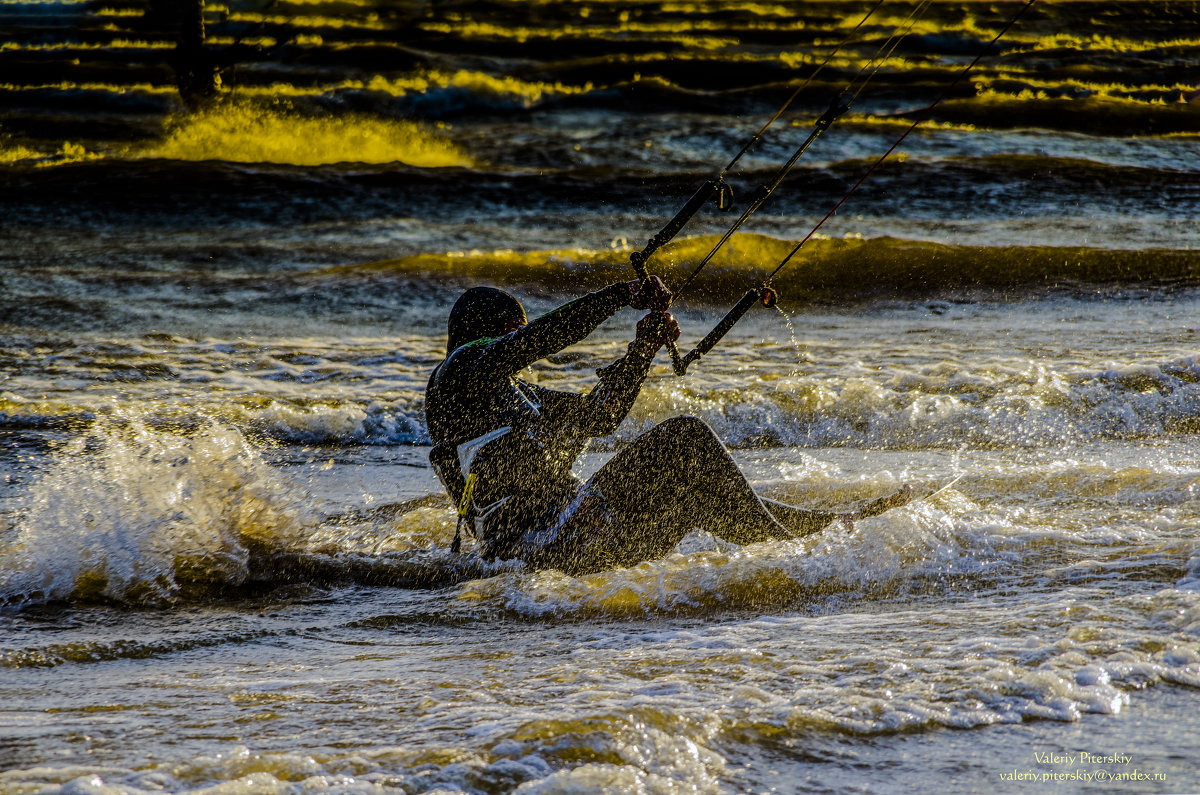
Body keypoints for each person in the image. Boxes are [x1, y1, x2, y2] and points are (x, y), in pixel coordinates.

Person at [425, 278, 911, 575]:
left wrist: (642, 350)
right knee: (685, 436)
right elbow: (540, 339)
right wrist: (622, 294)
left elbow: (600, 416)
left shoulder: (522, 398)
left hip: (576, 538)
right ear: (481, 333)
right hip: (536, 548)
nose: (520, 341)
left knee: (696, 492)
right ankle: (801, 555)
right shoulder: (456, 377)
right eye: (513, 330)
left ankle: (831, 529)